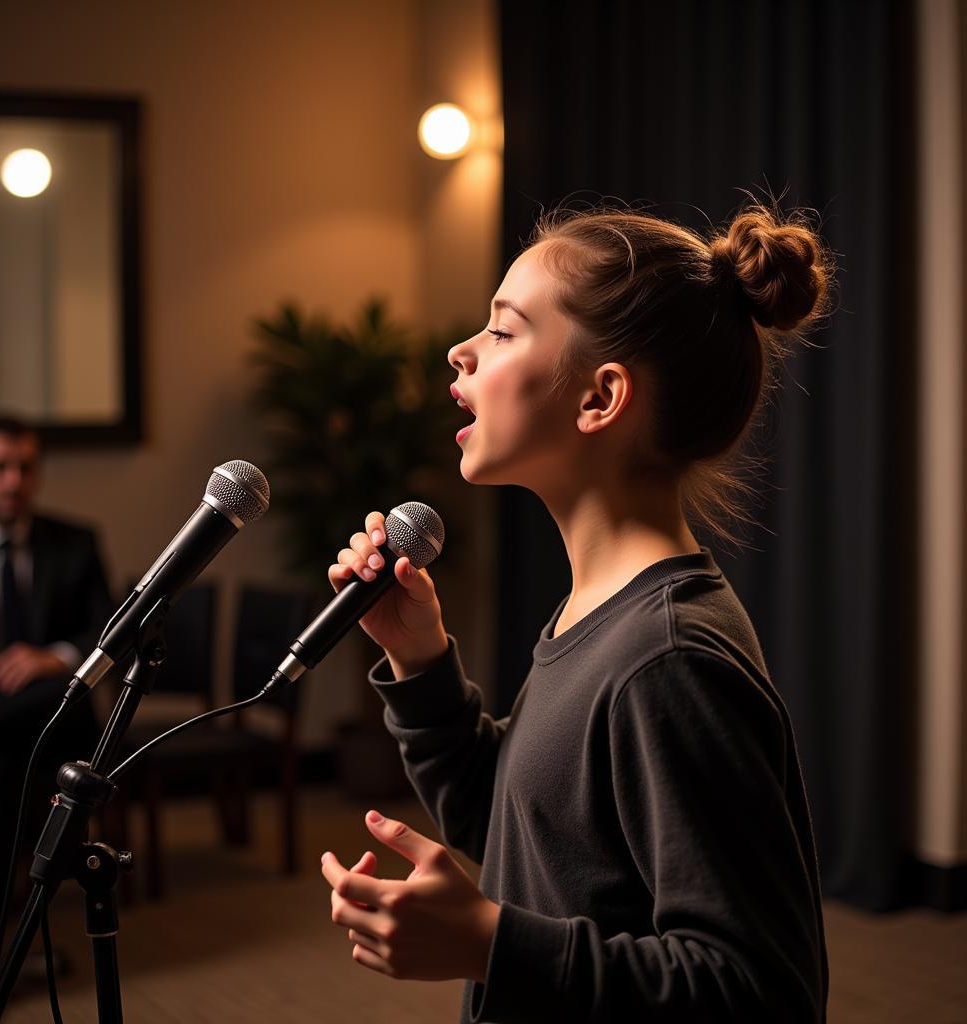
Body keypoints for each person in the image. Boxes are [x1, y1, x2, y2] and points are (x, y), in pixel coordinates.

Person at [318, 203, 831, 1022]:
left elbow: (759, 992)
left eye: (504, 330)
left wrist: (493, 944)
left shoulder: (668, 660)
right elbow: (531, 842)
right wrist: (422, 662)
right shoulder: (596, 614)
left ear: (600, 397)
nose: (461, 349)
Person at [0, 416, 112, 1024]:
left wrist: (51, 659)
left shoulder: (76, 542)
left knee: (22, 731)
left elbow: (108, 639)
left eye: (25, 467)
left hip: (53, 732)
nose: (14, 481)